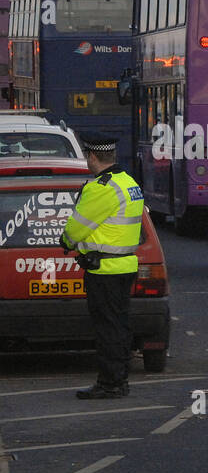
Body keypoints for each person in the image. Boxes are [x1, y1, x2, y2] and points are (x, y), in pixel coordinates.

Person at [60, 135, 145, 400]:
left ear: (93, 157)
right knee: (119, 325)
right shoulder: (128, 182)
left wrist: (66, 241)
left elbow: (75, 229)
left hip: (104, 270)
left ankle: (110, 383)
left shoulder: (102, 188)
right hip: (125, 264)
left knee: (107, 328)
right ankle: (119, 379)